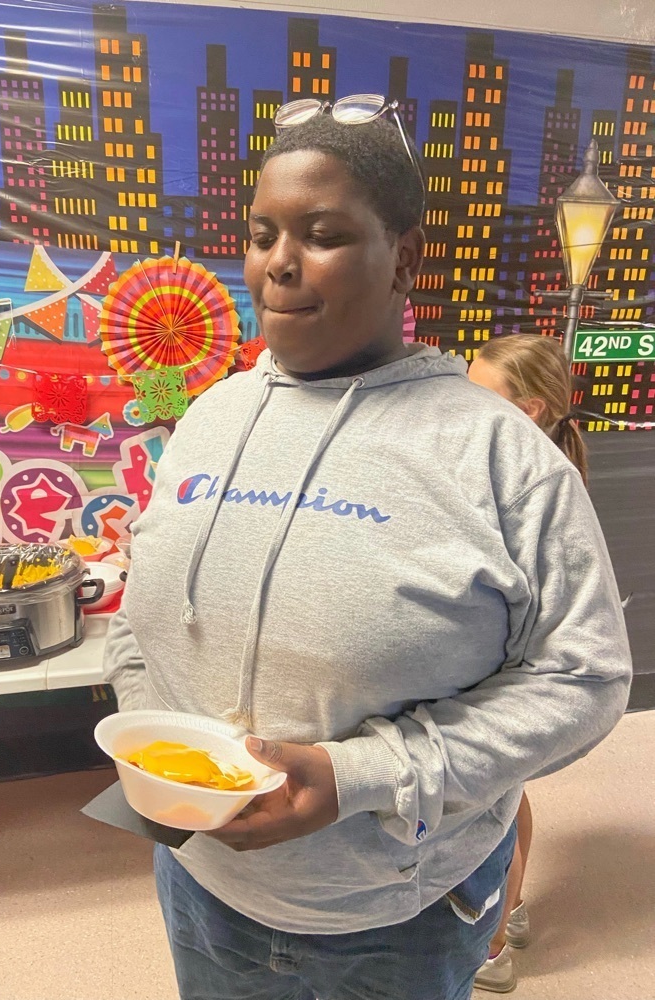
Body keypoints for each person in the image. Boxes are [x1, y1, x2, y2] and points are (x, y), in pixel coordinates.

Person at [103, 108, 631, 1000]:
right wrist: (152, 733)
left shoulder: (500, 454)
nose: (279, 263)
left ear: (405, 258)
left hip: (399, 917)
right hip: (200, 884)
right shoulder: (210, 418)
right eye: (262, 235)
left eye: (322, 235)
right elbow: (141, 606)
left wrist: (364, 775)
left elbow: (586, 678)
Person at [467, 332, 589, 994]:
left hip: (510, 669)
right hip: (505, 658)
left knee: (491, 805)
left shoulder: (535, 485)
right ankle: (510, 913)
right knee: (510, 796)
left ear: (530, 409)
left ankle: (490, 947)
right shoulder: (525, 465)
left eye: (477, 392)